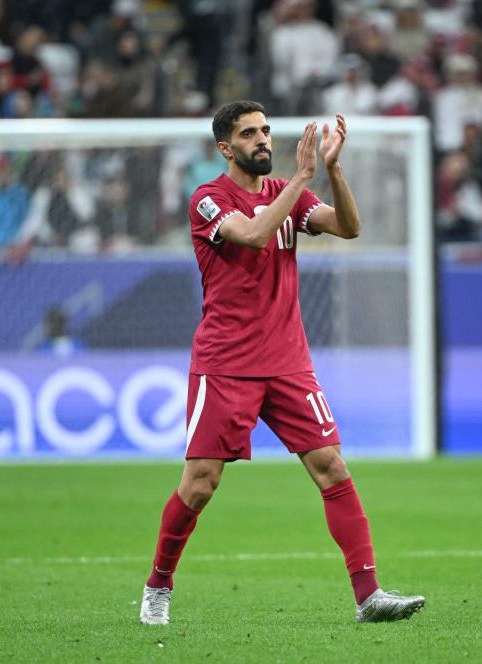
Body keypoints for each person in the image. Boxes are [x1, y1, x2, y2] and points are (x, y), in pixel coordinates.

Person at [139, 100, 425, 626]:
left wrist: (332, 170)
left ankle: (369, 595)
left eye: (266, 130)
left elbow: (348, 227)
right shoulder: (207, 199)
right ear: (226, 147)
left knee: (331, 466)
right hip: (225, 363)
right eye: (250, 133)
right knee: (200, 483)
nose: (263, 140)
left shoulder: (288, 192)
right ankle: (158, 584)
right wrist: (302, 177)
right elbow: (252, 235)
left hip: (288, 360)